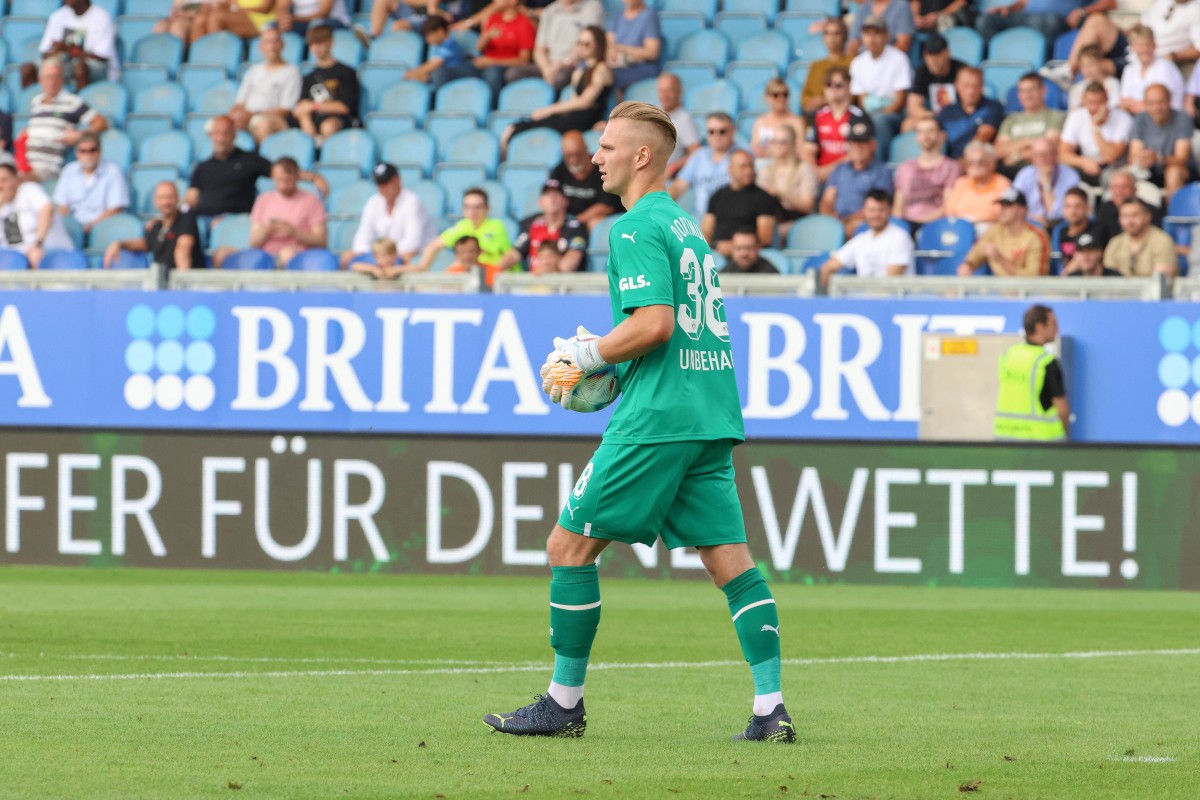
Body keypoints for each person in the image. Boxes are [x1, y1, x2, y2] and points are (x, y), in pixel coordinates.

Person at [483, 100, 793, 744]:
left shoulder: (631, 229)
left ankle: (564, 704)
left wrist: (589, 355)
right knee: (729, 560)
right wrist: (610, 369)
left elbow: (654, 325)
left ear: (641, 155)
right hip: (709, 412)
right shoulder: (685, 226)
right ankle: (772, 710)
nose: (595, 157)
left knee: (568, 547)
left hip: (659, 417)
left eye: (606, 146)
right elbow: (672, 329)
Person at [502, 26, 613, 155]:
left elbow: (584, 102)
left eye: (587, 44)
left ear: (598, 46)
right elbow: (574, 100)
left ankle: (514, 132)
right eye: (579, 43)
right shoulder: (582, 69)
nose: (582, 47)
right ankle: (514, 132)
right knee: (535, 121)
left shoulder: (602, 69)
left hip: (587, 118)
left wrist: (549, 109)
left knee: (537, 122)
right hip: (576, 115)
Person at [1041, 0, 1192, 89]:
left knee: (1094, 66)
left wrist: (1172, 55)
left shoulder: (1196, 10)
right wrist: (1125, 32)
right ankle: (1069, 70)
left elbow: (1198, 48)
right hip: (1132, 45)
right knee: (1096, 21)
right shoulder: (1163, 2)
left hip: (1151, 55)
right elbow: (1144, 24)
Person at [993, 304, 1069, 442]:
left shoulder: (1009, 356)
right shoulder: (1046, 362)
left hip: (1004, 440)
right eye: (1053, 324)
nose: (1057, 329)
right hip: (1040, 443)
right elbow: (1062, 410)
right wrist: (1063, 434)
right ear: (1039, 326)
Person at [24, 58, 108, 182]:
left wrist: (80, 135)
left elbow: (101, 122)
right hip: (25, 163)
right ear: (41, 80)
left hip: (48, 167)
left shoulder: (72, 101)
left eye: (55, 77)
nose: (52, 82)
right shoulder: (36, 102)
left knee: (15, 183)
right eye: (48, 77)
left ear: (62, 80)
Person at [240, 156, 328, 267]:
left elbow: (321, 241)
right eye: (278, 179)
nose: (283, 184)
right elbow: (253, 243)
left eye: (287, 180)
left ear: (297, 176)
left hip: (301, 257)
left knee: (287, 254)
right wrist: (267, 230)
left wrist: (294, 232)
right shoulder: (263, 199)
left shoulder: (312, 201)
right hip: (266, 256)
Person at [414, 187, 513, 285]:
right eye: (468, 207)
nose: (472, 211)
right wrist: (422, 267)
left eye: (477, 207)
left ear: (487, 208)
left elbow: (475, 256)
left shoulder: (496, 226)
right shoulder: (462, 226)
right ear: (463, 209)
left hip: (498, 282)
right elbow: (434, 245)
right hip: (472, 280)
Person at [345, 162, 437, 268]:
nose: (384, 187)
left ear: (398, 179)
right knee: (350, 260)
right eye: (380, 183)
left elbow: (412, 243)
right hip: (389, 254)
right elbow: (362, 237)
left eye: (387, 182)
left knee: (393, 262)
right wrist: (375, 254)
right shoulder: (373, 202)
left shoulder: (412, 202)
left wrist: (384, 255)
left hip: (418, 255)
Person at [818, 189, 913, 287]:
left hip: (894, 300)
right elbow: (828, 268)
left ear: (889, 210)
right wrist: (828, 298)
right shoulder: (861, 240)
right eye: (872, 210)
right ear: (864, 211)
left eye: (881, 210)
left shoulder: (900, 237)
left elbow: (890, 282)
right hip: (864, 298)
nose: (876, 215)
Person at [849, 16, 911, 163]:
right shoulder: (858, 62)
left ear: (886, 36)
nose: (872, 39)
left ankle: (880, 165)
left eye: (876, 33)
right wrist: (870, 113)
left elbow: (900, 99)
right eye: (867, 34)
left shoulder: (899, 58)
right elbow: (862, 100)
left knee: (879, 121)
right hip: (869, 111)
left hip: (893, 113)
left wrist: (881, 112)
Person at [103, 181, 202, 271]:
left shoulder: (187, 218)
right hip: (160, 283)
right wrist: (120, 244)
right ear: (155, 201)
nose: (165, 202)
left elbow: (183, 250)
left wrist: (181, 284)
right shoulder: (156, 225)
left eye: (170, 197)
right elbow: (146, 243)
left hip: (184, 283)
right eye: (161, 197)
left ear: (177, 198)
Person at [186, 116, 273, 218]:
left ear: (234, 136)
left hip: (238, 222)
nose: (221, 139)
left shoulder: (250, 160)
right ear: (211, 135)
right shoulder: (201, 168)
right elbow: (191, 199)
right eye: (217, 133)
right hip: (205, 221)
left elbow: (279, 172)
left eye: (226, 133)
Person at [819, 122, 894, 237]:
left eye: (862, 143)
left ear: (873, 145)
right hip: (837, 221)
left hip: (865, 222)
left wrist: (847, 220)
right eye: (854, 143)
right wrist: (831, 219)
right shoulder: (840, 169)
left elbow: (878, 206)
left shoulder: (881, 172)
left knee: (851, 230)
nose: (858, 147)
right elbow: (827, 200)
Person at [230, 27, 303, 144]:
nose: (271, 46)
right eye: (267, 42)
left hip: (275, 119)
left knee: (263, 123)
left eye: (275, 41)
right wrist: (235, 116)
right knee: (217, 125)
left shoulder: (291, 71)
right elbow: (239, 103)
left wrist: (252, 115)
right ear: (261, 46)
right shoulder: (253, 71)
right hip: (248, 117)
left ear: (282, 45)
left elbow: (285, 109)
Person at [498, 179, 587, 273]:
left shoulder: (575, 227)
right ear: (540, 202)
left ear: (565, 201)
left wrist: (547, 277)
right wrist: (497, 269)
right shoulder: (530, 224)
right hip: (532, 283)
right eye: (547, 194)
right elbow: (514, 254)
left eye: (556, 194)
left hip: (562, 283)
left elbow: (573, 258)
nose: (552, 198)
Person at [956, 188, 1048, 276]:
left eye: (1008, 206)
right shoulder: (995, 230)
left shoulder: (1035, 236)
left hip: (1031, 291)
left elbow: (1034, 279)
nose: (1002, 210)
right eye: (1002, 206)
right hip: (999, 290)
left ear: (1022, 210)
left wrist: (999, 258)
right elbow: (977, 253)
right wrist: (968, 265)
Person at [703, 150, 778, 256]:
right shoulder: (717, 195)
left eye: (751, 166)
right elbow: (706, 233)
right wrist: (715, 246)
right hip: (717, 254)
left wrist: (734, 248)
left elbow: (765, 239)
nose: (748, 171)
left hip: (747, 255)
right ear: (730, 170)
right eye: (743, 167)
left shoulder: (763, 198)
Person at [52, 133, 129, 236]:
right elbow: (62, 206)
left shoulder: (113, 171)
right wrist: (75, 228)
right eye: (83, 151)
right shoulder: (69, 170)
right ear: (77, 153)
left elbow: (115, 209)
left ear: (100, 151)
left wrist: (91, 226)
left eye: (92, 150)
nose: (87, 155)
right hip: (74, 230)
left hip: (103, 228)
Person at [294, 24, 360, 145]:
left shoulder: (346, 72)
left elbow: (344, 107)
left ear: (330, 42)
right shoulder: (308, 77)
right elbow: (301, 107)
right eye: (313, 43)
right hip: (314, 122)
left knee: (328, 126)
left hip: (341, 121)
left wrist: (314, 106)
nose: (316, 47)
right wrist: (305, 120)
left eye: (320, 42)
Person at [804, 67, 873, 182]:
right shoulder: (817, 116)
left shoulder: (859, 117)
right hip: (818, 175)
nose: (833, 89)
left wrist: (825, 172)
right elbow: (808, 148)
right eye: (828, 85)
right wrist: (815, 172)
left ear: (849, 88)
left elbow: (858, 154)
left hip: (848, 175)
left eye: (839, 85)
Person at [519, 0, 605, 91]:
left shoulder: (592, 7)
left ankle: (557, 103)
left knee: (560, 77)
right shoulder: (550, 10)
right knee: (515, 73)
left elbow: (586, 44)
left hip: (574, 64)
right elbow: (539, 49)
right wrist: (546, 69)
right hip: (549, 65)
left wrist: (561, 63)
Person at [0, 163, 73, 269]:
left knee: (35, 256)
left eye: (4, 180)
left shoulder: (29, 189)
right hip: (15, 258)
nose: (1, 185)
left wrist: (38, 244)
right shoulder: (2, 203)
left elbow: (47, 209)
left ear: (16, 179)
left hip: (49, 251)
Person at [1128, 84, 1193, 200]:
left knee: (1173, 173)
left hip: (1180, 170)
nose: (1157, 108)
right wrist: (1143, 158)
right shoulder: (1140, 118)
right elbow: (1133, 155)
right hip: (1148, 169)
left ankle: (1172, 215)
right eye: (1152, 103)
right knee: (1121, 176)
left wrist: (1159, 159)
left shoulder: (1182, 118)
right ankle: (1126, 215)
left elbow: (1182, 158)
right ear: (1145, 104)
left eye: (1161, 102)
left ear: (1169, 100)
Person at [1058, 81, 1131, 185]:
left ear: (1107, 100)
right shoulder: (1076, 116)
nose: (1094, 108)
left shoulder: (1123, 118)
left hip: (1115, 168)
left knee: (1110, 176)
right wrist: (1084, 162)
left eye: (1098, 103)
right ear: (1083, 100)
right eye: (1090, 102)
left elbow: (1110, 157)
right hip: (1086, 165)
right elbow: (1063, 154)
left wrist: (1095, 128)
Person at [893, 118, 960, 229]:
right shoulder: (905, 167)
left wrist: (921, 222)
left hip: (936, 225)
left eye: (930, 131)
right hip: (906, 225)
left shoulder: (950, 167)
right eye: (920, 131)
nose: (925, 135)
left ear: (941, 135)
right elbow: (898, 207)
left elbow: (948, 206)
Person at [994, 74, 1066, 178]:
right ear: (1018, 94)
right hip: (1008, 171)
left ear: (1043, 91)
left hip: (1041, 171)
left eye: (1032, 90)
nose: (1027, 95)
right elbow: (998, 151)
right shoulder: (1010, 120)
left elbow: (1049, 148)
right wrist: (1028, 141)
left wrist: (1018, 156)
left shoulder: (1055, 116)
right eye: (1023, 91)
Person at [39, 0, 120, 89]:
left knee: (79, 67)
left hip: (97, 68)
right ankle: (41, 101)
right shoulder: (58, 16)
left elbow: (101, 57)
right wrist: (54, 51)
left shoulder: (101, 17)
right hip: (64, 63)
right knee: (30, 69)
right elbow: (44, 52)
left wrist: (68, 49)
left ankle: (80, 102)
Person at [551, 131, 622, 229]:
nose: (574, 160)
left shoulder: (602, 169)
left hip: (594, 220)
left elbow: (607, 206)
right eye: (568, 155)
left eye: (578, 154)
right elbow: (550, 195)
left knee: (595, 222)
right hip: (569, 220)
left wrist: (576, 221)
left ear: (586, 148)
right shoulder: (559, 170)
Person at [669, 112, 735, 218]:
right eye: (711, 131)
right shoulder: (698, 156)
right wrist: (656, 204)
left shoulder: (743, 155)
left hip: (731, 220)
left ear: (732, 131)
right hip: (700, 220)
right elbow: (678, 187)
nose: (716, 136)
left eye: (722, 131)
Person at [757, 125, 820, 233]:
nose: (778, 146)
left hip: (797, 219)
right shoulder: (765, 171)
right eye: (774, 142)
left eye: (783, 142)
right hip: (772, 216)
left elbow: (808, 206)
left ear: (792, 144)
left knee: (772, 231)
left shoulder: (804, 169)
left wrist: (781, 194)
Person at [468, 0, 536, 98]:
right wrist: (487, 36)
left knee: (492, 72)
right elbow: (479, 47)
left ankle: (491, 107)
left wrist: (492, 62)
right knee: (455, 69)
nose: (495, 1)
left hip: (504, 67)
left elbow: (524, 60)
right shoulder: (493, 18)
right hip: (485, 64)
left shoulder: (524, 24)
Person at [1012, 138, 1080, 231]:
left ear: (1055, 155)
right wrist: (1032, 217)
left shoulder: (1070, 175)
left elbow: (1056, 214)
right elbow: (1013, 205)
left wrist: (1046, 184)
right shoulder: (1024, 174)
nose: (1042, 158)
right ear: (1032, 157)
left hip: (1061, 226)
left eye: (1046, 154)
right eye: (1037, 155)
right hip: (1029, 223)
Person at [903, 32, 965, 131]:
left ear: (947, 53)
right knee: (907, 125)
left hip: (959, 117)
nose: (933, 60)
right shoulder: (922, 71)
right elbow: (913, 106)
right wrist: (931, 116)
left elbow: (970, 103)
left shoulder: (961, 71)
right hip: (933, 117)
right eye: (929, 55)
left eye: (937, 55)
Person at [976, 0, 1086, 56]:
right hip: (1026, 16)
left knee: (1049, 21)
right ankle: (991, 63)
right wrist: (1008, 8)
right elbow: (1023, 3)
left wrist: (1082, 11)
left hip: (1056, 19)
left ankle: (1044, 68)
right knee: (985, 20)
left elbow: (1103, 3)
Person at [936, 66, 1002, 159]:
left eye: (976, 86)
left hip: (976, 161)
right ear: (956, 85)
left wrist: (964, 161)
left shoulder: (993, 107)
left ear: (982, 87)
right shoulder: (946, 111)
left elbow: (984, 136)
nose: (971, 91)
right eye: (966, 85)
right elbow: (938, 138)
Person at [1101, 198, 1177, 277]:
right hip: (1120, 289)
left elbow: (1162, 280)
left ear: (1148, 216)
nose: (1130, 221)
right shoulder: (1115, 242)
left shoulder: (1162, 240)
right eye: (1125, 216)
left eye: (1135, 215)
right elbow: (1109, 279)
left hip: (1152, 289)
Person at [1118, 25, 1184, 115]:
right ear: (1132, 47)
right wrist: (1143, 106)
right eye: (1140, 45)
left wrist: (1134, 106)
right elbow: (1123, 103)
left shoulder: (1165, 66)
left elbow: (1160, 107)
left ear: (1154, 44)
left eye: (1148, 44)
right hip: (1138, 120)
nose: (1144, 49)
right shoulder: (1129, 69)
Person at [944, 141, 1011, 229]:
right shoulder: (961, 182)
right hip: (960, 228)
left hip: (989, 228)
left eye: (980, 162)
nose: (975, 166)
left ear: (992, 163)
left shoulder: (1002, 183)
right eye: (970, 162)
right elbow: (950, 210)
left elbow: (1004, 214)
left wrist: (977, 221)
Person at [606, 0, 661, 94]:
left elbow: (652, 53)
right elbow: (609, 42)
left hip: (641, 67)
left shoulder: (649, 16)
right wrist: (611, 54)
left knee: (605, 76)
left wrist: (622, 49)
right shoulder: (618, 16)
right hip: (618, 65)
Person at [800, 17, 853, 113]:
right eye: (827, 33)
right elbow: (804, 97)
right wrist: (813, 102)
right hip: (816, 114)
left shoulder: (853, 62)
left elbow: (855, 94)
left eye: (836, 33)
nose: (831, 38)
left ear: (844, 37)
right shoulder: (816, 66)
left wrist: (825, 101)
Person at [1095, 167, 1161, 242]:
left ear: (1134, 189)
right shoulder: (1104, 208)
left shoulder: (1150, 210)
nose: (1119, 192)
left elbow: (1155, 239)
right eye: (1115, 187)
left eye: (1124, 187)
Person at [405, 16, 470, 90]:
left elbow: (434, 64)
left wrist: (412, 73)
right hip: (443, 80)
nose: (427, 40)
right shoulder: (440, 47)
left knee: (435, 74)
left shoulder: (450, 45)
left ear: (440, 31)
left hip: (453, 80)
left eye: (429, 35)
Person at [657, 73, 700, 179]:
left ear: (679, 92)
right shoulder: (654, 113)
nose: (664, 96)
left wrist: (674, 166)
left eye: (669, 91)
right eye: (661, 91)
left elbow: (697, 153)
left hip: (666, 178)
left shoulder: (683, 119)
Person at [750, 80, 805, 161]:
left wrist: (770, 151)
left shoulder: (796, 121)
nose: (781, 98)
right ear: (767, 97)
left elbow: (799, 149)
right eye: (776, 95)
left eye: (785, 94)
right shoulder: (760, 121)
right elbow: (754, 147)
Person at [1053, 186, 1105, 270]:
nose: (1072, 211)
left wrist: (1064, 277)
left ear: (1087, 208)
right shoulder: (1060, 231)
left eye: (1077, 206)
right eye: (1068, 206)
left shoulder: (1098, 229)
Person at [848, 0, 914, 54]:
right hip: (864, 61)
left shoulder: (901, 6)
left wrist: (880, 58)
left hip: (891, 61)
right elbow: (853, 43)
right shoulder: (864, 7)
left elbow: (903, 44)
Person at [1066, 45, 1121, 111]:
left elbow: (1115, 108)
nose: (1088, 69)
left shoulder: (1112, 83)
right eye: (1084, 65)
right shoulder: (1076, 89)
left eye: (1091, 64)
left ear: (1100, 63)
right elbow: (1073, 114)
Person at [199, 0, 278, 39]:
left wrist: (238, 10)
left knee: (216, 18)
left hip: (261, 20)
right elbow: (231, 5)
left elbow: (265, 8)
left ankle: (215, 55)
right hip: (240, 16)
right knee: (201, 19)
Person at [276, 0, 352, 36]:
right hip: (303, 22)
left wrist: (293, 19)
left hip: (334, 21)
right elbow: (281, 8)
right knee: (272, 26)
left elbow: (324, 13)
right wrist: (285, 20)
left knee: (316, 25)